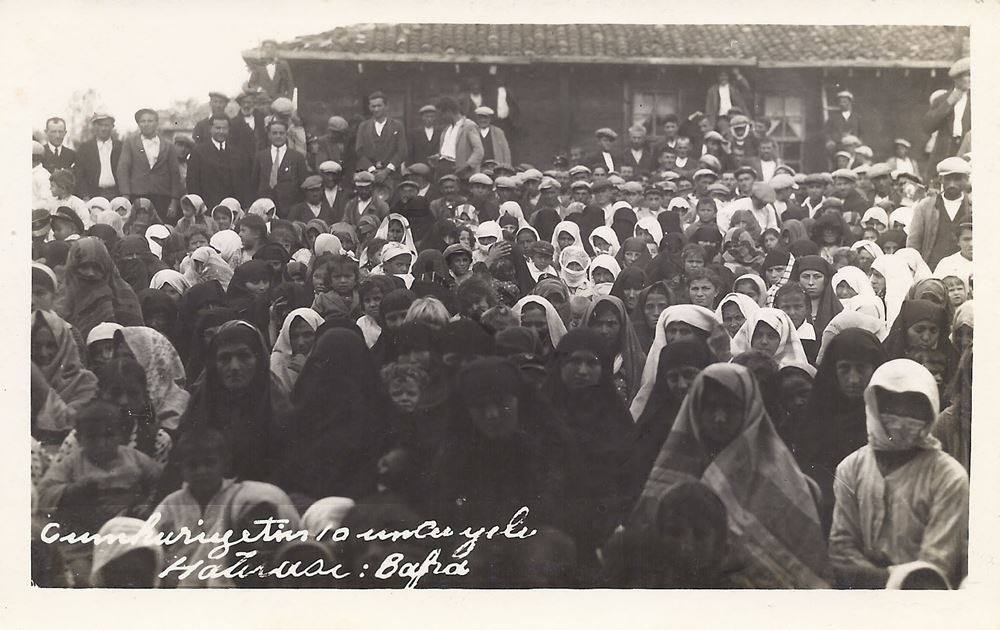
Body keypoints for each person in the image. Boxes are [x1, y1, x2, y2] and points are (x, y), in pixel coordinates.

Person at [633, 363, 829, 588]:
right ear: (695, 408)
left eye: (730, 408)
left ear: (749, 410)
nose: (719, 418)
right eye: (710, 407)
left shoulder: (778, 477)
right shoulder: (675, 468)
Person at [829, 359, 968, 588]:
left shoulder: (949, 477)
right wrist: (890, 577)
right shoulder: (851, 468)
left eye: (913, 408)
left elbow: (933, 569)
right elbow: (841, 550)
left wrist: (872, 574)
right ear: (874, 407)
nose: (902, 418)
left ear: (930, 410)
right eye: (891, 407)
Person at [37, 400, 162, 585]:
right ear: (79, 439)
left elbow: (160, 481)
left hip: (123, 539)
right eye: (92, 437)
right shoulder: (72, 464)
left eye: (109, 435)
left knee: (136, 572)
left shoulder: (134, 459)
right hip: (84, 542)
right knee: (82, 579)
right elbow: (44, 492)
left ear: (121, 435)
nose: (101, 443)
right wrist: (72, 490)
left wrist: (147, 504)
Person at [276, 329, 388, 504]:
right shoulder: (297, 421)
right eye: (322, 365)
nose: (332, 375)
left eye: (343, 368)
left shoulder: (383, 425)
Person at [174, 320, 288, 484]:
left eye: (244, 356)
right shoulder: (200, 405)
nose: (234, 366)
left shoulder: (277, 407)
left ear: (258, 360)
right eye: (225, 358)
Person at [796, 328, 887, 531]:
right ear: (832, 370)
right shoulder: (816, 418)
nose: (853, 379)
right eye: (844, 369)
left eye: (861, 369)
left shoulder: (888, 419)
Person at [55, 237, 144, 339]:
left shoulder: (124, 295)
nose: (90, 273)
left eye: (96, 267)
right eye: (84, 267)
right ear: (73, 267)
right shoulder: (61, 298)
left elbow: (136, 339)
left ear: (106, 267)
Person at [31, 309, 99, 439]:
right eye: (36, 345)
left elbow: (69, 422)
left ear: (64, 345)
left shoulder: (85, 381)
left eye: (51, 345)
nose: (43, 353)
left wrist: (39, 383)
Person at [116, 109, 184, 220]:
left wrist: (174, 201)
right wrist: (126, 197)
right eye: (142, 121)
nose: (146, 124)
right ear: (138, 124)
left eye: (150, 121)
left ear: (157, 123)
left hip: (162, 196)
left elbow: (175, 174)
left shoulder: (168, 145)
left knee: (161, 228)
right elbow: (123, 170)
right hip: (138, 195)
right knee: (138, 227)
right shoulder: (130, 142)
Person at [907, 158, 971, 270]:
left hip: (966, 269)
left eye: (957, 179)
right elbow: (913, 244)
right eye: (948, 179)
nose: (952, 184)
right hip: (932, 270)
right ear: (940, 179)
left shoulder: (972, 207)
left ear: (966, 180)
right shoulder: (925, 206)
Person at [186, 114, 252, 209]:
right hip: (208, 207)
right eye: (218, 128)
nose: (221, 132)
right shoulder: (199, 152)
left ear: (229, 129)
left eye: (224, 128)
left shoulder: (238, 153)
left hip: (233, 207)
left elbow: (244, 182)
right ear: (210, 128)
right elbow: (192, 183)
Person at [251, 119, 308, 217]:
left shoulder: (297, 157)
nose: (278, 136)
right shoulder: (260, 156)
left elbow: (302, 185)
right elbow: (254, 182)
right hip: (265, 209)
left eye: (281, 133)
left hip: (289, 209)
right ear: (269, 135)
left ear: (286, 134)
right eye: (274, 133)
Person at [924, 58, 970, 170]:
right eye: (967, 75)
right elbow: (927, 126)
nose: (971, 79)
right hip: (944, 152)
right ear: (956, 78)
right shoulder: (942, 99)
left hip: (967, 152)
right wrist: (948, 103)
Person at [354, 91, 408, 178]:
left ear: (386, 106)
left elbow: (402, 151)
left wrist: (387, 171)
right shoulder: (363, 126)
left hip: (392, 175)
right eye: (373, 106)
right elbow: (359, 151)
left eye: (379, 106)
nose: (376, 109)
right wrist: (372, 169)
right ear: (369, 107)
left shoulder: (397, 125)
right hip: (370, 175)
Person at [432, 96, 484, 179]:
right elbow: (451, 150)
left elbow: (479, 151)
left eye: (442, 115)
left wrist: (467, 165)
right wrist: (439, 156)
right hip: (442, 169)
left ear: (449, 111)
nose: (441, 118)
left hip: (457, 171)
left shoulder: (468, 126)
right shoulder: (447, 129)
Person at [74, 112, 122, 200]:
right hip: (93, 195)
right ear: (94, 127)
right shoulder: (85, 148)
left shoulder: (120, 147)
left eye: (107, 125)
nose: (103, 128)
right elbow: (79, 175)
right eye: (100, 125)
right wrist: (85, 196)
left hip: (116, 195)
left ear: (112, 127)